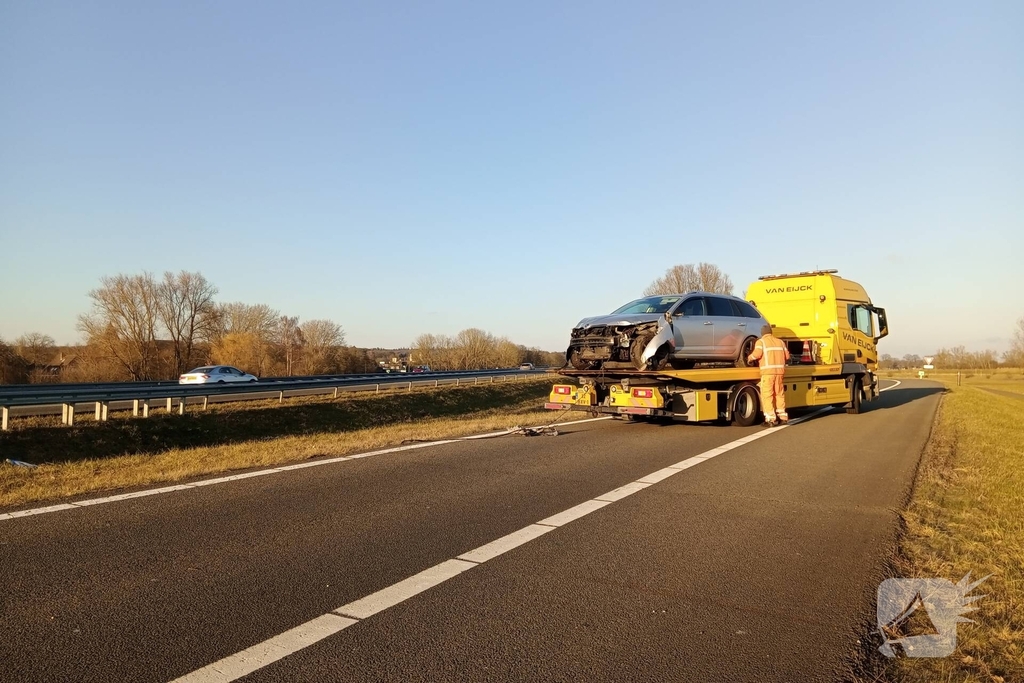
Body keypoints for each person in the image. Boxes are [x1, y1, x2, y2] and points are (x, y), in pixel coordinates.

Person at [747, 324, 791, 426]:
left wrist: (749, 358)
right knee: (779, 394)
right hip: (779, 373)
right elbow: (787, 356)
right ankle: (783, 417)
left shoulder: (761, 342)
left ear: (762, 333)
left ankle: (770, 419)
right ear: (771, 332)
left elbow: (757, 354)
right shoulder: (780, 342)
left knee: (767, 395)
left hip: (768, 374)